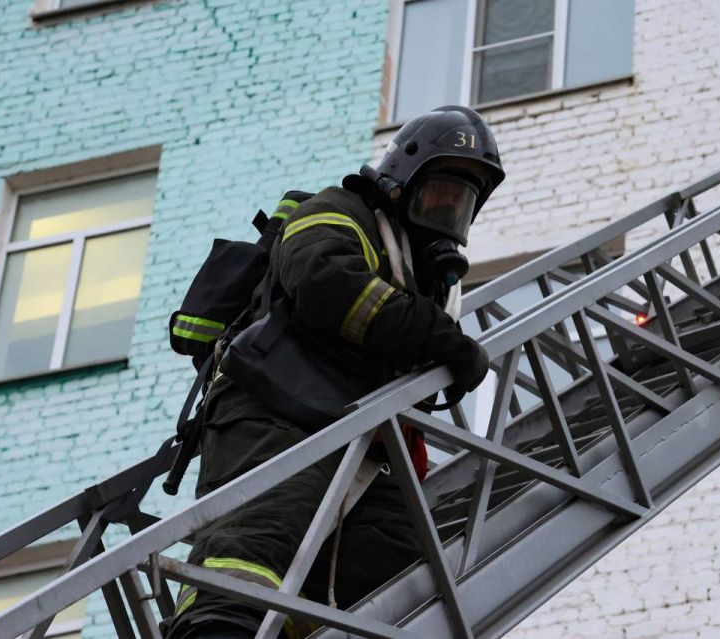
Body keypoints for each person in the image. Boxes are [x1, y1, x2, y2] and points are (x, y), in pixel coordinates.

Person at [165, 105, 505, 639]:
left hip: (355, 441)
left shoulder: (421, 277)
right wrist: (437, 337)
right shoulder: (338, 210)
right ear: (401, 181)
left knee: (407, 553)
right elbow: (327, 280)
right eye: (439, 192)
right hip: (271, 410)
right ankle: (219, 626)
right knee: (262, 532)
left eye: (459, 203)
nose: (446, 211)